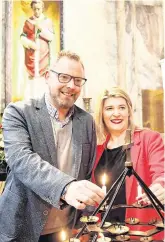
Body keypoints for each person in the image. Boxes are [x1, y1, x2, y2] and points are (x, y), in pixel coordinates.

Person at [0, 50, 105, 242]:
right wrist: (66, 187)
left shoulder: (86, 121)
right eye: (64, 77)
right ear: (48, 76)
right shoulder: (18, 113)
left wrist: (89, 221)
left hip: (65, 230)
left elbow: (85, 173)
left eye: (78, 80)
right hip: (22, 227)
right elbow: (22, 161)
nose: (71, 86)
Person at [91, 87, 164, 240]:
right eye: (110, 108)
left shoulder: (148, 139)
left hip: (139, 230)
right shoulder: (97, 149)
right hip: (105, 232)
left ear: (129, 112)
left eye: (122, 107)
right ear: (102, 114)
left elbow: (161, 171)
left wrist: (161, 186)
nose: (116, 113)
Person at [21, 0, 54, 78]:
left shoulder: (47, 21)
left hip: (43, 57)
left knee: (43, 80)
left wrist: (41, 29)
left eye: (38, 9)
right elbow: (23, 36)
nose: (36, 11)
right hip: (31, 56)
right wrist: (30, 44)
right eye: (34, 9)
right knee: (31, 83)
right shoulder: (28, 21)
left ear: (42, 8)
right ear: (32, 8)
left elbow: (51, 37)